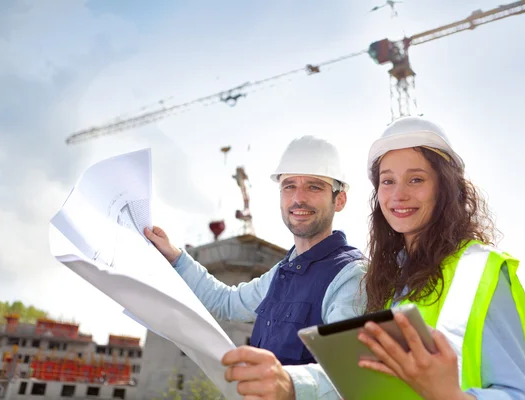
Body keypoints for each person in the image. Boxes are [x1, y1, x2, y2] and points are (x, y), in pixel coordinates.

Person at [354, 116, 525, 399]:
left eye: (416, 179)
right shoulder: (388, 282)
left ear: (445, 188)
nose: (398, 195)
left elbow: (524, 395)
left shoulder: (477, 270)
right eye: (388, 181)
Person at [145, 135, 366, 398]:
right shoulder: (282, 272)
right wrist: (176, 258)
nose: (298, 198)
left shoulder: (351, 275)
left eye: (314, 187)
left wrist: (289, 384)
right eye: (289, 186)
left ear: (339, 200)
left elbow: (347, 373)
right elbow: (226, 301)